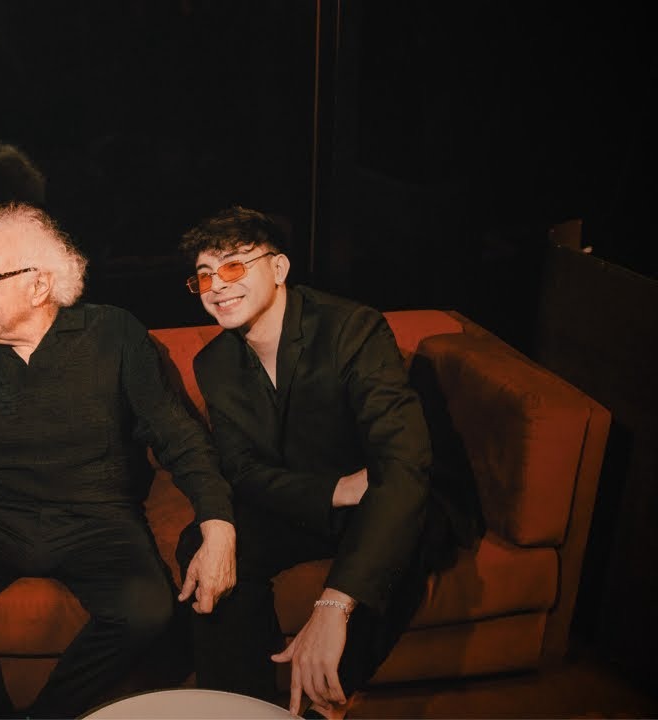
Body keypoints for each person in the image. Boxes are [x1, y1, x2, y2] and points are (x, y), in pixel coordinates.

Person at [0, 202, 237, 718]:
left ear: (39, 286)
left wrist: (218, 523)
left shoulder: (113, 333)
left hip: (97, 516)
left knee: (146, 610)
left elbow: (176, 434)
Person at [177, 206, 472, 718]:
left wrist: (334, 604)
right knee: (202, 543)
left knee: (404, 522)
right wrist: (332, 491)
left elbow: (402, 464)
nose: (216, 286)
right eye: (204, 275)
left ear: (279, 268)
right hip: (316, 497)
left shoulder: (350, 328)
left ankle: (325, 703)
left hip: (385, 491)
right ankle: (242, 707)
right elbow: (242, 471)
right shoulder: (215, 363)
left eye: (233, 266)